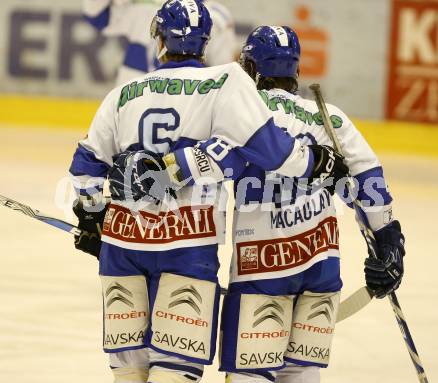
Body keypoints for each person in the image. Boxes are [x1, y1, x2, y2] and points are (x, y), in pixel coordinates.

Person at [69, 2, 346, 383]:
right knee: (175, 370)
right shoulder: (227, 82)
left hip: (124, 248)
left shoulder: (123, 93)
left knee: (128, 373)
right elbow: (270, 152)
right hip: (188, 250)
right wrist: (315, 161)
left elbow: (85, 167)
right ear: (206, 41)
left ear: (159, 40)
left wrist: (92, 216)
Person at [115, 25, 405, 383]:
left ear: (249, 69)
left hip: (261, 273)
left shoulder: (244, 115)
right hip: (322, 272)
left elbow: (211, 160)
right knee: (302, 372)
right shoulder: (332, 119)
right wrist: (390, 246)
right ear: (296, 72)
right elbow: (370, 185)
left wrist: (159, 171)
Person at [82, 0, 237, 85]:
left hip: (183, 116)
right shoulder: (146, 7)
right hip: (133, 109)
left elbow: (224, 75)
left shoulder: (216, 16)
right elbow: (97, 16)